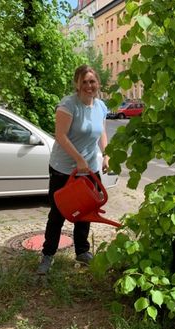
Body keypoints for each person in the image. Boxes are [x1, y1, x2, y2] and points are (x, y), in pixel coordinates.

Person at [37, 64, 109, 275]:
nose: (89, 85)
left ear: (98, 83)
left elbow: (101, 133)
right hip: (64, 168)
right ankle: (48, 255)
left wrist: (106, 153)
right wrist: (78, 159)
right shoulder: (68, 105)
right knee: (58, 214)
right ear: (77, 84)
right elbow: (61, 136)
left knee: (86, 211)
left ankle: (82, 251)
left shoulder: (101, 106)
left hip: (89, 168)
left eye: (92, 81)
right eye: (84, 81)